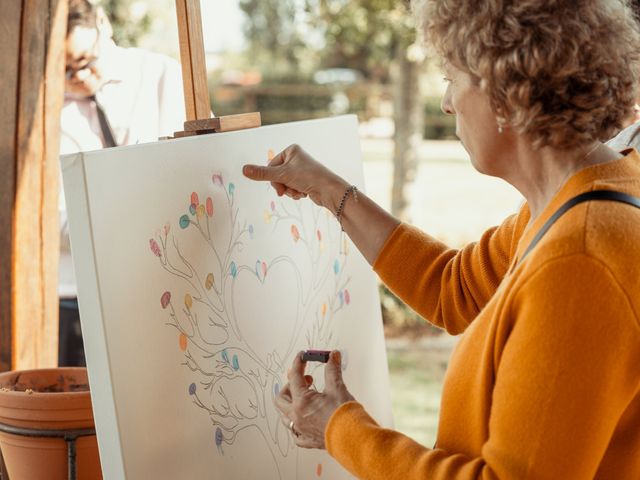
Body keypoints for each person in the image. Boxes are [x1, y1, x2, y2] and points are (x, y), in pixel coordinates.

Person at [243, 0, 640, 478]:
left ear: (503, 94)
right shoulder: (578, 197)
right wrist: (329, 190)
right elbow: (453, 289)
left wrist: (341, 428)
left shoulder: (581, 257)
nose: (447, 102)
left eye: (452, 78)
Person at [59, 0, 186, 365]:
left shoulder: (162, 76)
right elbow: (52, 218)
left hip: (159, 283)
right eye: (65, 69)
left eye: (86, 59)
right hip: (76, 295)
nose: (78, 76)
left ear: (103, 24)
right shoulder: (40, 108)